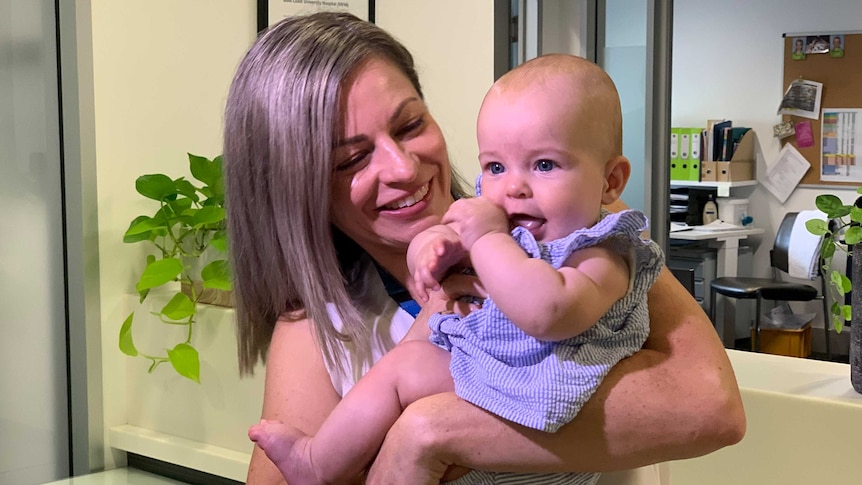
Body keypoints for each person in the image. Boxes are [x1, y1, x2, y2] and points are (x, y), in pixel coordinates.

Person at [223, 11, 746, 485]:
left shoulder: (585, 232)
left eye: (410, 125)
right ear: (297, 191)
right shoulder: (319, 325)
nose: (404, 169)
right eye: (351, 160)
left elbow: (710, 407)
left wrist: (431, 431)